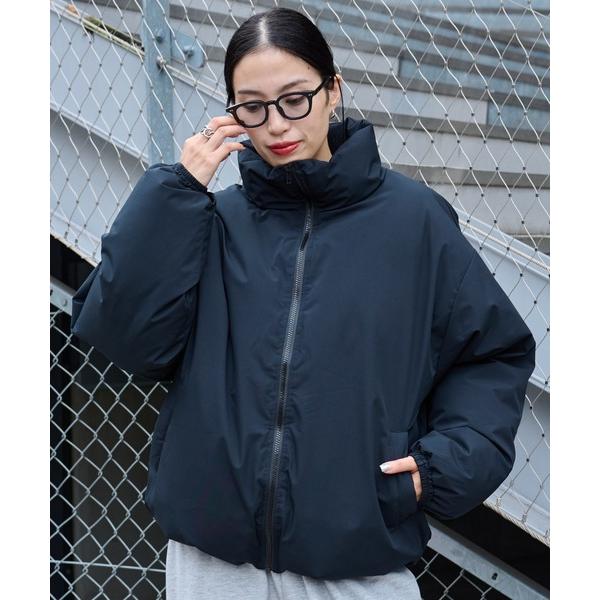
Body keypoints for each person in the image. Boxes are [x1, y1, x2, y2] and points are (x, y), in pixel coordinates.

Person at [69, 7, 536, 599]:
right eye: (253, 107)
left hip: (355, 569)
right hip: (212, 567)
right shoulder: (210, 221)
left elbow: (491, 355)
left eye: (295, 99)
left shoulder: (414, 222)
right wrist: (174, 192)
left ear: (332, 90)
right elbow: (126, 338)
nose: (276, 125)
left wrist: (440, 468)